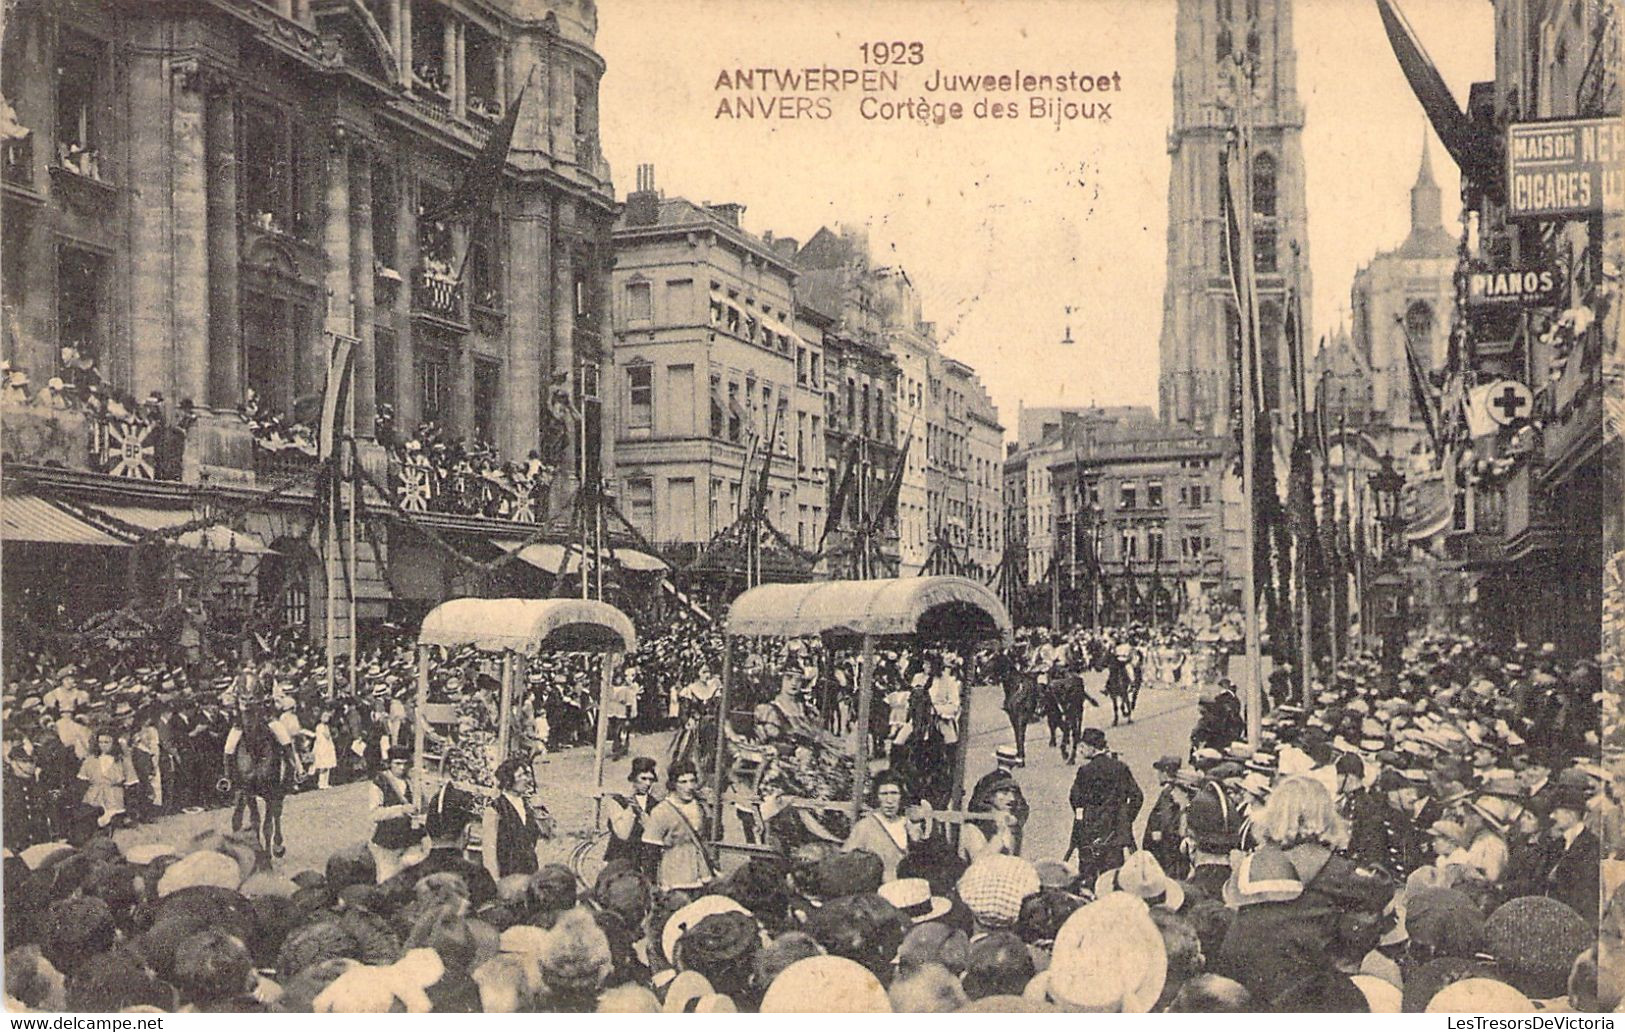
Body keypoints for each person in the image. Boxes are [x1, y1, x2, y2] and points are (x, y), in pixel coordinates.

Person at [1212, 776, 1392, 1006]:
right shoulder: (1331, 868)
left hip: (1240, 977)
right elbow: (1380, 887)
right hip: (1299, 986)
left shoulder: (1254, 862)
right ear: (1325, 816)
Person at [1067, 727, 1142, 884]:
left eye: (1083, 747)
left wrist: (1085, 817)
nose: (1080, 751)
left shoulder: (1085, 771)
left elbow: (1075, 799)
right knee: (1113, 879)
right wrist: (1125, 818)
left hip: (1089, 835)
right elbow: (1137, 796)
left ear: (1092, 748)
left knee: (1088, 879)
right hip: (1114, 835)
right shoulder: (1120, 768)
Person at [641, 759, 715, 891]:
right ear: (673, 784)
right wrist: (651, 885)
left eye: (692, 781)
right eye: (683, 782)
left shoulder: (700, 806)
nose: (689, 786)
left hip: (702, 874)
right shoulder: (661, 811)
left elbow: (710, 836)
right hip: (675, 877)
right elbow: (650, 851)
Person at [843, 771, 927, 881]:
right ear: (877, 797)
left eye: (894, 793)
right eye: (884, 794)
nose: (889, 800)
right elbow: (846, 865)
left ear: (901, 796)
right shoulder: (865, 827)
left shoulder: (909, 825)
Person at [1545, 785, 1600, 923]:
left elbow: (1585, 892)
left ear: (1570, 815)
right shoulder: (1556, 844)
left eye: (1556, 812)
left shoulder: (1592, 846)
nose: (1552, 816)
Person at [483, 757, 542, 882]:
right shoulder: (495, 809)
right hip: (507, 875)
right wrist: (495, 881)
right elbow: (489, 850)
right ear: (508, 778)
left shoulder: (527, 806)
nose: (527, 780)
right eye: (521, 775)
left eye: (528, 775)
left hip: (530, 873)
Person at [368, 745, 422, 882]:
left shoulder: (411, 782)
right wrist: (401, 810)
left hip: (411, 839)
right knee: (389, 880)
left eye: (405, 764)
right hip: (388, 841)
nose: (402, 768)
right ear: (389, 764)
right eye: (397, 764)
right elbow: (374, 814)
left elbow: (422, 807)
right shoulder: (380, 783)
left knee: (412, 880)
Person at [604, 757, 660, 867]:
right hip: (620, 858)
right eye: (643, 779)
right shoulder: (617, 801)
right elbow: (623, 833)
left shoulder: (655, 804)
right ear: (633, 778)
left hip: (646, 861)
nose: (648, 784)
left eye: (651, 779)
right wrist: (631, 804)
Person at [962, 772, 1026, 861]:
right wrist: (1000, 834)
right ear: (988, 795)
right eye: (1004, 792)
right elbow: (980, 863)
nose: (1012, 798)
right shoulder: (971, 828)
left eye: (1014, 793)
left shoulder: (1013, 828)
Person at [78, 731, 133, 827]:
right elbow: (82, 781)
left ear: (113, 744)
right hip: (94, 797)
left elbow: (131, 781)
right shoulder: (90, 760)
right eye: (100, 742)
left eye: (106, 742)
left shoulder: (121, 760)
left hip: (114, 797)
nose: (103, 745)